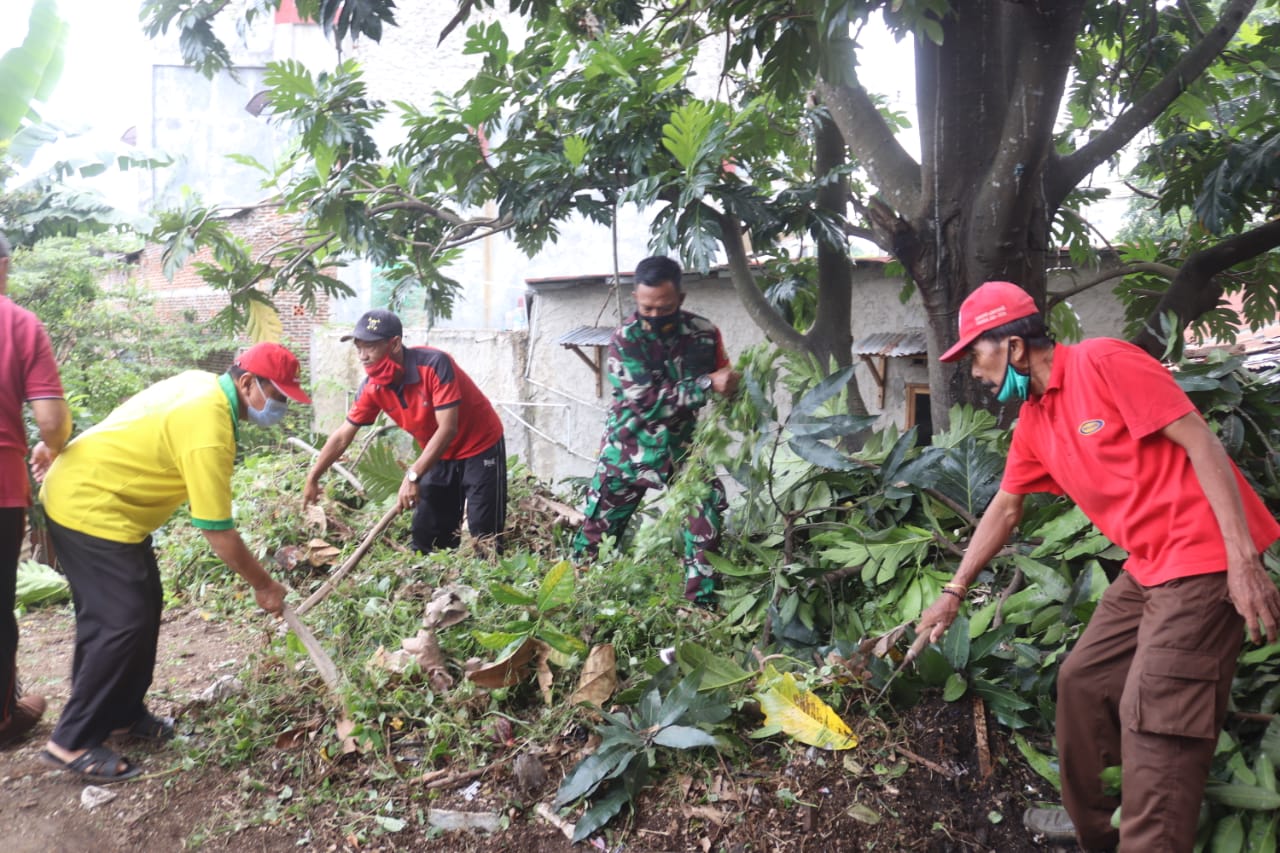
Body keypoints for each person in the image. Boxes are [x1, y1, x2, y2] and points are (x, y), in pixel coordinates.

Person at [913, 280, 1280, 852]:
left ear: (1012, 344)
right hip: (1150, 566)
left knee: (1157, 717)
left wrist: (1243, 562)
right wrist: (954, 591)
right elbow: (1005, 508)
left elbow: (1202, 444)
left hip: (1204, 560)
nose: (974, 372)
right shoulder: (1036, 420)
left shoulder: (1103, 362)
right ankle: (1106, 829)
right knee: (1084, 684)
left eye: (976, 355)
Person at [36, 342, 311, 783]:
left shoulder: (201, 386)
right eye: (276, 397)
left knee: (140, 608)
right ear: (246, 383)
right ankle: (72, 742)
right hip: (89, 506)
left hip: (111, 508)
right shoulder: (209, 426)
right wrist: (264, 584)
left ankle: (123, 714)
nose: (278, 407)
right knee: (121, 620)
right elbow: (217, 529)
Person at [571, 256, 741, 605]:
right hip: (628, 449)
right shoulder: (625, 339)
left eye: (663, 308)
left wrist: (734, 389)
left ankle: (701, 608)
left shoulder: (704, 334)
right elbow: (646, 401)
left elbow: (725, 377)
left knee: (705, 522)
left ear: (680, 298)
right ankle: (577, 598)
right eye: (646, 307)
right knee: (595, 534)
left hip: (683, 453)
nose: (653, 316)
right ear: (636, 297)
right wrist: (708, 384)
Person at [304, 310, 507, 554]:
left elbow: (448, 429)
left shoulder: (434, 365)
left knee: (485, 539)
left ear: (395, 344)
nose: (362, 356)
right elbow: (342, 436)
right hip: (438, 454)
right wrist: (313, 477)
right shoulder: (372, 387)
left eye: (370, 347)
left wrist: (412, 475)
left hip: (479, 446)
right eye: (358, 348)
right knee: (427, 537)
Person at [0, 233, 71, 748]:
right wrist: (53, 445)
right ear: (4, 266)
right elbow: (50, 419)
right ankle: (4, 719)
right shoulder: (20, 324)